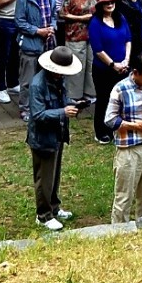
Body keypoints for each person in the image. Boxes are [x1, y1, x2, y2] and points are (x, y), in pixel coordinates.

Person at [27, 46, 81, 231]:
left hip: (56, 134)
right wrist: (63, 112)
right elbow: (38, 115)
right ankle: (43, 216)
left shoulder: (59, 80)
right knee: (44, 179)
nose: (63, 74)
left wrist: (73, 105)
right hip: (43, 138)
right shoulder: (37, 85)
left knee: (54, 176)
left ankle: (54, 207)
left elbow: (62, 100)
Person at [105, 54, 142, 222]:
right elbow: (109, 120)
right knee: (124, 197)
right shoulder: (120, 89)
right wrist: (134, 126)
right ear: (136, 72)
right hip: (129, 150)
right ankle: (119, 231)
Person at [15, 0, 59, 121]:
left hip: (49, 43)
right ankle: (25, 109)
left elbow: (54, 16)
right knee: (28, 80)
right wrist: (37, 31)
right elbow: (19, 22)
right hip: (31, 45)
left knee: (48, 77)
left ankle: (44, 105)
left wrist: (52, 27)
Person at [89, 0, 131, 144]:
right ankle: (101, 132)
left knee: (121, 99)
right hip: (103, 69)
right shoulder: (95, 23)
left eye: (112, 1)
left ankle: (118, 127)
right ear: (100, 5)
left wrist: (126, 60)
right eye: (106, 2)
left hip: (122, 67)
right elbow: (98, 49)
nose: (110, 4)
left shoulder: (121, 18)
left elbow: (128, 40)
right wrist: (113, 64)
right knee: (104, 99)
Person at [60, 0, 102, 103]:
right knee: (77, 65)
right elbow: (63, 14)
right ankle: (73, 95)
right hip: (75, 34)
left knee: (90, 64)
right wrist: (81, 18)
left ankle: (90, 93)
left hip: (91, 34)